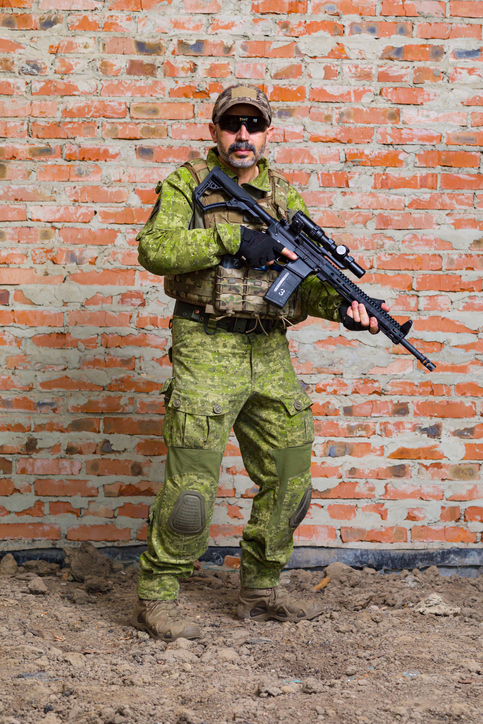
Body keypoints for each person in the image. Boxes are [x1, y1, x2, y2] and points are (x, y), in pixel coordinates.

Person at [132, 84, 388, 642]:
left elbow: (310, 282)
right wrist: (230, 238)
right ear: (215, 131)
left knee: (291, 478)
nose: (242, 134)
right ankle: (157, 595)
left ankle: (261, 587)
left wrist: (344, 310)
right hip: (206, 344)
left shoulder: (286, 198)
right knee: (192, 490)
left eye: (254, 125)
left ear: (269, 133)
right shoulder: (187, 186)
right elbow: (154, 249)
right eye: (232, 124)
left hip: (269, 348)